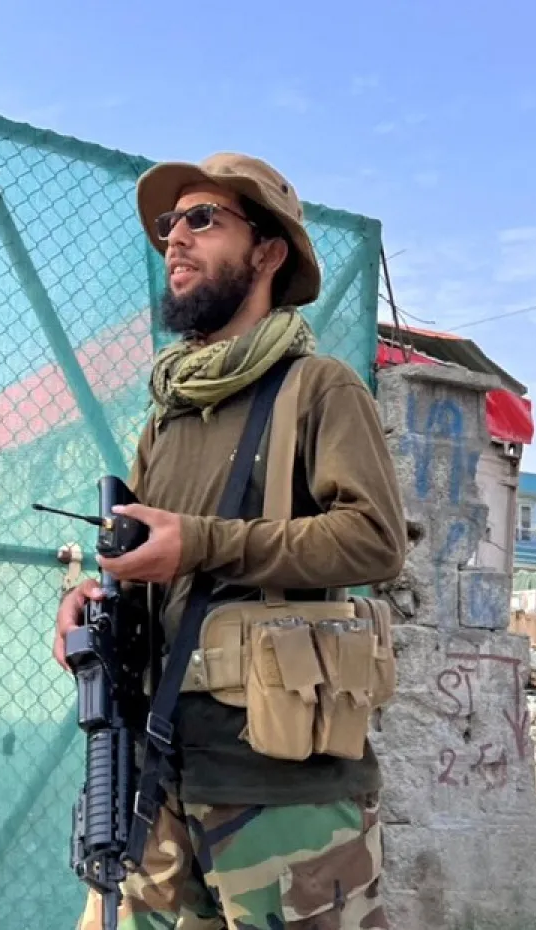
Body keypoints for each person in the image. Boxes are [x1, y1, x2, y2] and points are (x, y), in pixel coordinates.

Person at [54, 152, 407, 930]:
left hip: (280, 787)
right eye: (167, 224)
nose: (174, 239)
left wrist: (205, 544)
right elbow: (155, 562)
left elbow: (376, 541)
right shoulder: (170, 414)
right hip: (154, 774)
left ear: (269, 251)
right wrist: (92, 603)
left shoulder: (319, 389)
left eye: (202, 218)